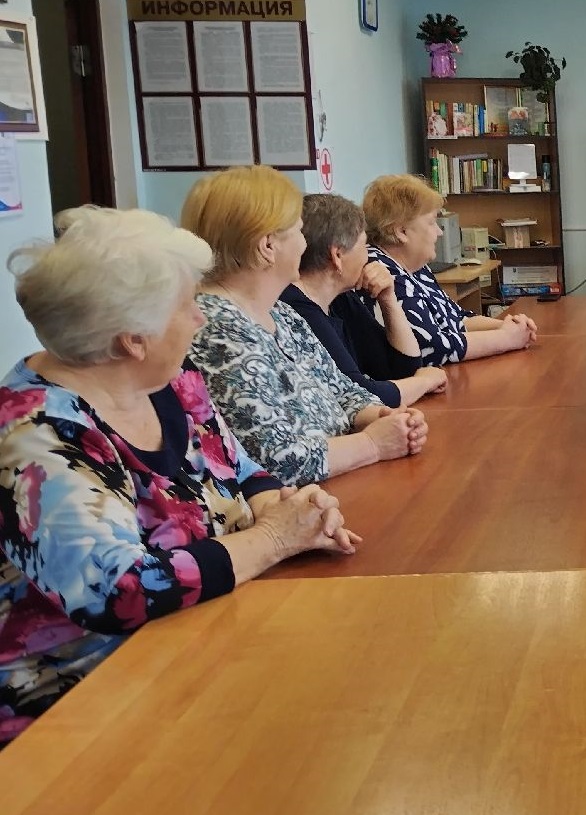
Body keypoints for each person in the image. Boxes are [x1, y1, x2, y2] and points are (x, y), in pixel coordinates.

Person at [0, 207, 358, 747]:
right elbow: (120, 590)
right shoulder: (35, 435)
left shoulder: (170, 377)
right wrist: (275, 538)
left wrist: (282, 507)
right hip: (80, 712)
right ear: (133, 339)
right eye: (187, 305)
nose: (201, 319)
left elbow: (240, 467)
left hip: (210, 642)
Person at [182, 166, 429, 486]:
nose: (306, 245)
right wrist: (373, 443)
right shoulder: (218, 330)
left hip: (342, 480)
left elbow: (343, 390)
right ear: (267, 246)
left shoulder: (281, 312)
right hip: (311, 496)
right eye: (299, 232)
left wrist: (385, 418)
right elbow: (276, 459)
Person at [282, 193, 447, 408]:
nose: (368, 256)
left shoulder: (340, 298)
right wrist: (425, 382)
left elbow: (403, 368)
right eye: (364, 246)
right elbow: (360, 395)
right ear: (337, 256)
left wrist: (388, 299)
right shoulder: (297, 310)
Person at [362, 174, 535, 365]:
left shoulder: (415, 267)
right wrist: (506, 339)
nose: (439, 232)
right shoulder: (383, 270)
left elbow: (457, 319)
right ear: (401, 231)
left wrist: (512, 326)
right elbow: (432, 348)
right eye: (431, 222)